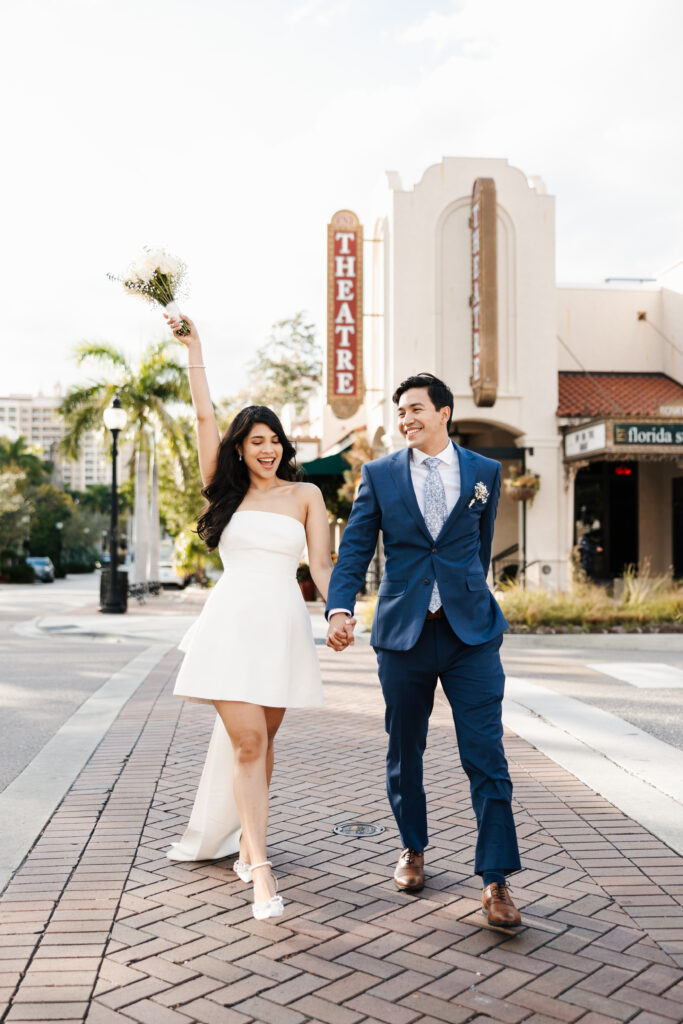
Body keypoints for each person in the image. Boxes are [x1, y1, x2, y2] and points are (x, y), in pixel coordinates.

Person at [326, 373, 522, 927]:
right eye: (401, 412)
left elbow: (477, 549)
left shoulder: (485, 472)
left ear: (444, 413)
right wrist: (341, 608)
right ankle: (413, 847)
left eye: (415, 409)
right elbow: (356, 548)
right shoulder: (380, 474)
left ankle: (496, 879)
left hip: (472, 637)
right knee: (404, 749)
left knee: (486, 754)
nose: (406, 419)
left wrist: (463, 591)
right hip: (403, 636)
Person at [165, 312, 337, 921]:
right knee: (247, 741)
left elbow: (319, 565)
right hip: (231, 625)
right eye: (256, 440)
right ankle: (259, 867)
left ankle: (245, 839)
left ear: (283, 447)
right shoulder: (226, 489)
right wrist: (196, 349)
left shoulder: (306, 495)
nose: (267, 449)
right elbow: (204, 416)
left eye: (274, 440)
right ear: (241, 447)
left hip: (283, 628)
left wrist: (338, 611)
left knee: (264, 745)